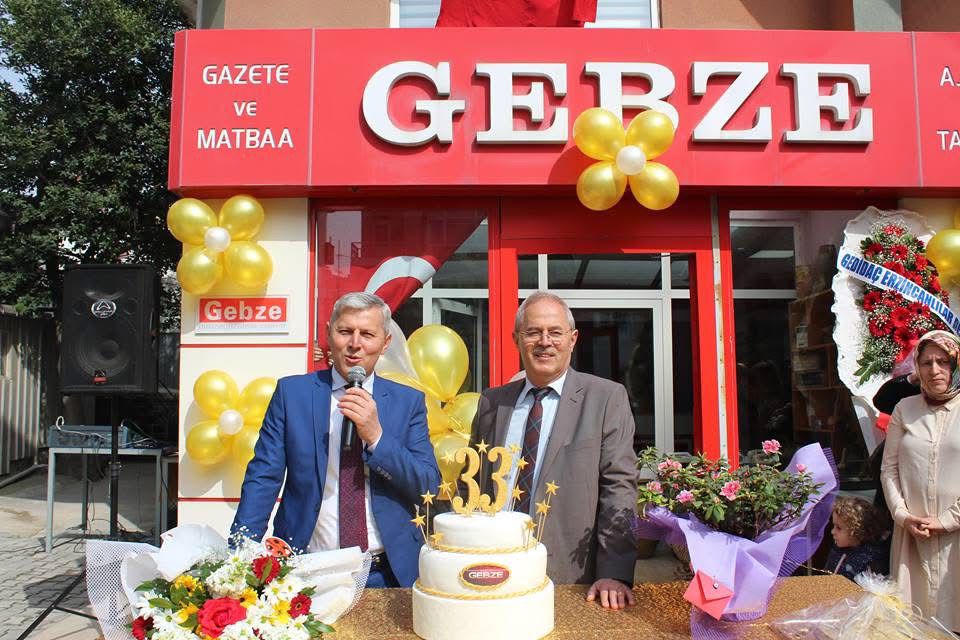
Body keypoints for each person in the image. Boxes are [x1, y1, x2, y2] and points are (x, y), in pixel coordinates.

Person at [231, 292, 441, 588]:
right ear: (329, 333)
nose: (355, 343)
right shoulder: (292, 395)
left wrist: (377, 438)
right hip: (308, 568)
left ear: (385, 343)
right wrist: (238, 560)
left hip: (386, 572)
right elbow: (263, 478)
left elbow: (428, 485)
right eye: (345, 331)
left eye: (367, 334)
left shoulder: (407, 402)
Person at [470, 291, 638, 610]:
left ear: (572, 340)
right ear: (516, 339)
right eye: (533, 332)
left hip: (571, 577)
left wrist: (614, 573)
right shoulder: (492, 402)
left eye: (555, 332)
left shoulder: (605, 399)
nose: (544, 342)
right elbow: (475, 484)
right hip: (494, 566)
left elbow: (619, 487)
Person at [881, 330, 960, 630]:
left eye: (944, 361)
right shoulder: (905, 409)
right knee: (913, 624)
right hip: (913, 537)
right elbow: (889, 469)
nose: (935, 370)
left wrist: (947, 520)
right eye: (927, 363)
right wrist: (902, 515)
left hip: (956, 537)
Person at [824, 495, 890, 580]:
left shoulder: (870, 559)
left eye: (839, 528)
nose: (832, 531)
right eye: (834, 526)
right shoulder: (837, 547)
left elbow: (870, 585)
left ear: (856, 532)